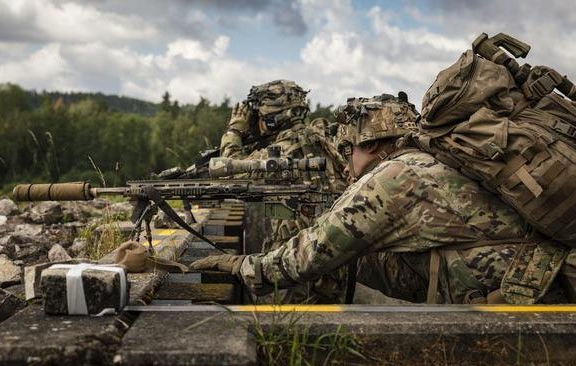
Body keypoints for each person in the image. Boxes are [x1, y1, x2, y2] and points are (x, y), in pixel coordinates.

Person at [193, 93, 573, 305]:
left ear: (371, 145)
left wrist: (239, 265)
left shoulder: (392, 178)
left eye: (348, 150)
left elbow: (301, 259)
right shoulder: (432, 157)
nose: (344, 163)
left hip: (532, 289)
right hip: (544, 272)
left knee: (339, 259)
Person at [219, 79, 349, 303]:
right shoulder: (325, 141)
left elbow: (227, 170)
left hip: (289, 273)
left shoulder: (276, 155)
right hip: (334, 269)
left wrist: (234, 131)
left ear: (269, 120)